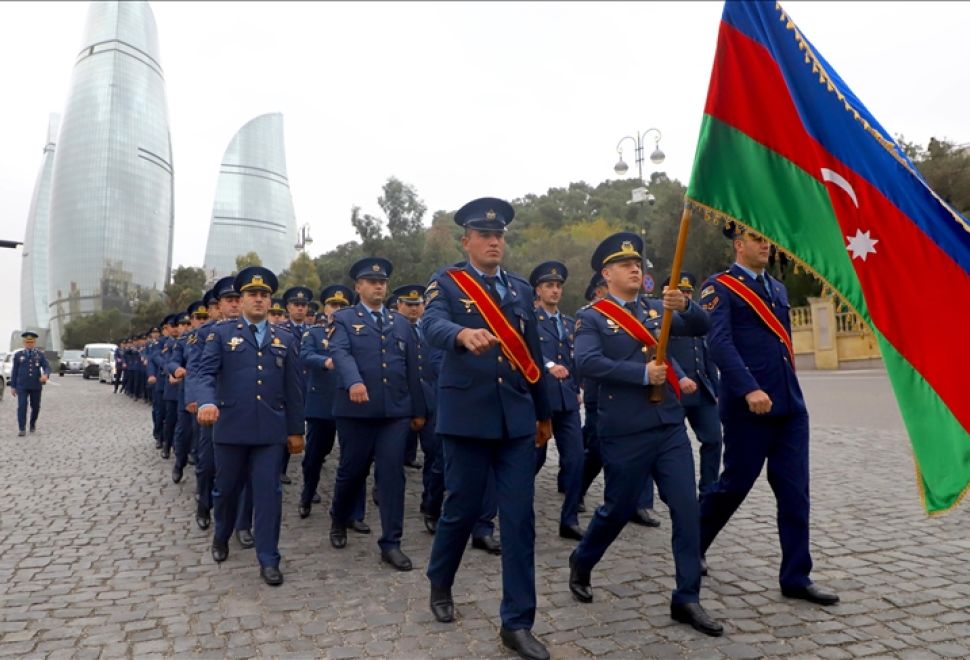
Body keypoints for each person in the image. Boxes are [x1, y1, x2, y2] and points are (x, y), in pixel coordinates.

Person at [568, 231, 723, 637]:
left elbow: (703, 325)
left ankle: (687, 597)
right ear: (607, 274)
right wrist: (640, 374)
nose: (635, 268)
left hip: (668, 426)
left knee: (686, 510)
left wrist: (685, 304)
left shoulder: (659, 310)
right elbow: (585, 360)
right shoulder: (592, 317)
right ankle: (582, 560)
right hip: (625, 431)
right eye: (624, 264)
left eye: (637, 263)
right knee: (618, 509)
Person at [423, 197, 553, 660]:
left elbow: (533, 357)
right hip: (466, 417)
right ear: (467, 241)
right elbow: (430, 325)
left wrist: (544, 414)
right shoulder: (447, 283)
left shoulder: (519, 290)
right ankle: (440, 580)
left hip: (516, 420)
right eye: (485, 235)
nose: (494, 241)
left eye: (499, 235)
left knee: (519, 520)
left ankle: (516, 623)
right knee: (460, 508)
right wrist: (460, 334)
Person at [698, 224, 838, 606]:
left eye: (768, 240)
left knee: (795, 494)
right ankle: (691, 544)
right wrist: (749, 388)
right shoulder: (719, 287)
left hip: (789, 406)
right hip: (749, 407)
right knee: (734, 485)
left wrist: (785, 391)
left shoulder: (776, 288)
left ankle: (796, 575)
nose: (766, 245)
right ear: (739, 245)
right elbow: (719, 343)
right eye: (758, 239)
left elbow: (782, 345)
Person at [195, 266, 305, 586]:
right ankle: (221, 534)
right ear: (241, 299)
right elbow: (203, 374)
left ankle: (269, 558)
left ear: (270, 300)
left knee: (268, 495)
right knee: (226, 490)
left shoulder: (284, 337)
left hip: (270, 430)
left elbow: (293, 388)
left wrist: (296, 430)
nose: (258, 300)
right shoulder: (221, 334)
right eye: (252, 295)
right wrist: (206, 402)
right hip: (230, 427)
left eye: (264, 295)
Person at [327, 258, 426, 571]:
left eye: (382, 281)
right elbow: (339, 352)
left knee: (391, 475)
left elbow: (412, 368)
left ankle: (391, 543)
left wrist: (418, 411)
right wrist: (354, 381)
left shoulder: (401, 324)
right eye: (371, 281)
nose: (378, 286)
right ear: (358, 287)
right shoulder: (343, 319)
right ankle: (339, 518)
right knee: (351, 471)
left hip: (394, 413)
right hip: (356, 411)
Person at [298, 283, 366, 525]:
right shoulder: (314, 333)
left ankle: (355, 513)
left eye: (342, 305)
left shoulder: (358, 331)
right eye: (333, 305)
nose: (337, 309)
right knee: (315, 455)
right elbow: (304, 355)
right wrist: (325, 361)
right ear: (325, 308)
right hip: (322, 403)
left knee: (355, 458)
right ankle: (307, 495)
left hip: (351, 401)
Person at [528, 261, 585, 541]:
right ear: (538, 290)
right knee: (532, 461)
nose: (555, 290)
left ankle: (570, 518)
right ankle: (517, 510)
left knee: (575, 459)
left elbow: (574, 359)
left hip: (568, 400)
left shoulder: (567, 322)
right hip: (542, 399)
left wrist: (578, 386)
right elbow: (527, 354)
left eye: (558, 285)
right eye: (549, 285)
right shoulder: (530, 320)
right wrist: (549, 364)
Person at [660, 273, 722, 494]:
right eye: (680, 291)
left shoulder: (696, 319)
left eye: (687, 292)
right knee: (672, 447)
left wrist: (716, 389)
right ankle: (676, 493)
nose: (685, 295)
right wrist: (679, 377)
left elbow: (707, 358)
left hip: (701, 390)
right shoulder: (661, 317)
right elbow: (661, 352)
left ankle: (708, 489)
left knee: (714, 439)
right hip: (675, 390)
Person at [393, 284, 447, 533]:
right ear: (398, 305)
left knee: (436, 454)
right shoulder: (389, 328)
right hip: (400, 401)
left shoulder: (432, 330)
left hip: (430, 401)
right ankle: (385, 489)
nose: (414, 308)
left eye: (418, 304)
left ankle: (430, 502)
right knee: (391, 454)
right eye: (409, 304)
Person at [279, 285, 314, 485]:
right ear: (288, 307)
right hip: (290, 385)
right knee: (288, 426)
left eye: (303, 305)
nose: (300, 308)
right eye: (296, 304)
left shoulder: (314, 331)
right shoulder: (281, 330)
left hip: (310, 385)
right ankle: (281, 468)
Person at [11, 331, 50, 436]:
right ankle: (22, 428)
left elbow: (46, 366)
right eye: (27, 342)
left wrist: (46, 375)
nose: (29, 344)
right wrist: (13, 386)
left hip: (35, 385)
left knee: (36, 407)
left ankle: (32, 423)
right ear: (24, 343)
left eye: (31, 342)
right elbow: (14, 371)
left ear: (34, 343)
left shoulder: (39, 355)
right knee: (22, 406)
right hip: (22, 385)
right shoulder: (18, 355)